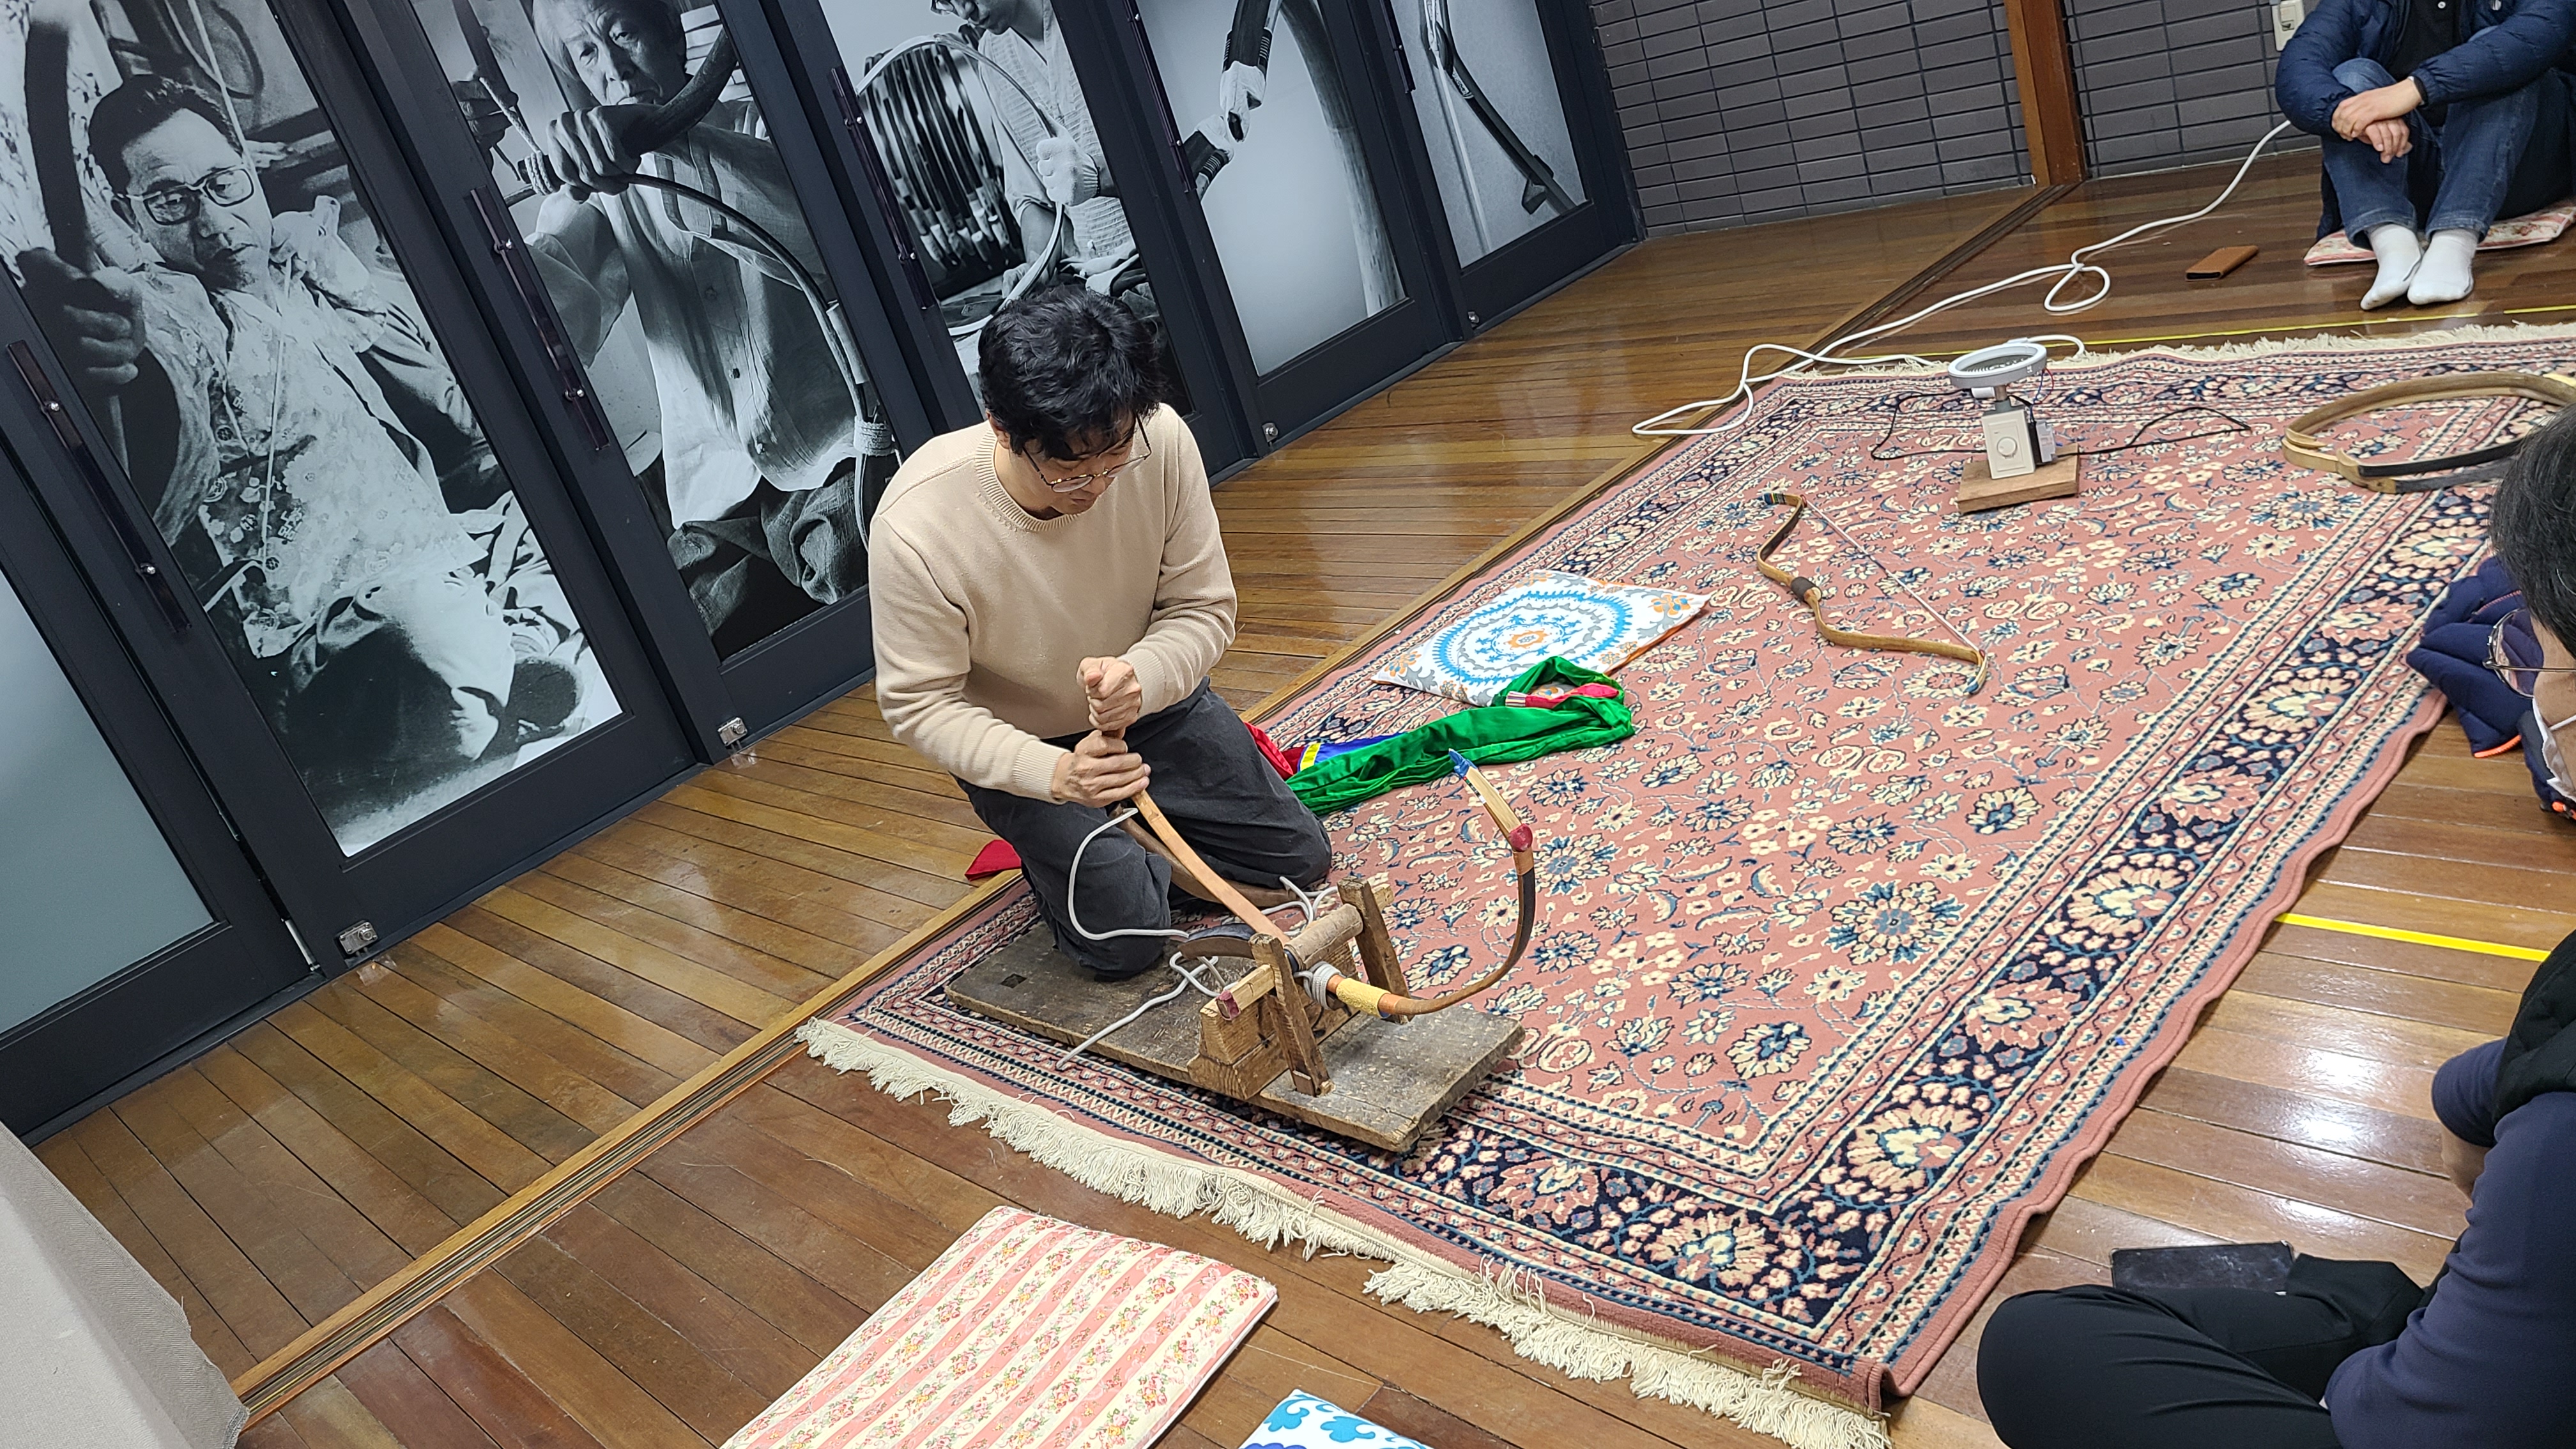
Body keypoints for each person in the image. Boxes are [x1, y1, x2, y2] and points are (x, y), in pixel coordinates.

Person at [1974, 411, 2576, 1448]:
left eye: (2540, 654)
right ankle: (2380, 1312)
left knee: (2037, 1338)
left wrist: (2357, 1386)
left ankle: (2372, 1328)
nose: (2524, 685)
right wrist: (2465, 1097)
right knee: (2311, 1289)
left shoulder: (2558, 1154)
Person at [15, 76, 585, 816]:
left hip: (442, 556)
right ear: (130, 214)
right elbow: (161, 404)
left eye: (223, 183)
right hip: (329, 633)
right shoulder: (165, 308)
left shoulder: (295, 273)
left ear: (248, 168)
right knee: (435, 661)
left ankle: (501, 655)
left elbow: (460, 414)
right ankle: (494, 667)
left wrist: (355, 291)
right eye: (171, 202)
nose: (213, 222)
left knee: (567, 508)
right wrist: (109, 362)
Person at [868, 286, 1330, 978]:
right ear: (1001, 427)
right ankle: (1088, 858)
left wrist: (1141, 677)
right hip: (1027, 749)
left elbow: (1204, 608)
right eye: (1069, 470)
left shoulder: (1158, 439)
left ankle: (1131, 850)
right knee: (1128, 943)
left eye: (1115, 458)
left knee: (1299, 859)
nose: (1097, 486)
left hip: (1152, 708)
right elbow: (920, 706)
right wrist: (1055, 775)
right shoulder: (916, 526)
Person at [527, 0, 887, 654]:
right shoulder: (607, 193)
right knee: (703, 640)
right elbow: (555, 324)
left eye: (623, 33)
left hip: (832, 455)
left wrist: (671, 136)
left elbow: (821, 239)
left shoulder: (763, 126)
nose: (613, 69)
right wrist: (550, 198)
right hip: (713, 495)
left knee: (861, 579)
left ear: (670, 34)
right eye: (587, 53)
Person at [2276, 0, 2576, 309]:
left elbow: (2545, 27)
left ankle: (2454, 242)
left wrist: (2415, 88)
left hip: (2513, 167)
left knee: (2502, 50)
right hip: (2413, 168)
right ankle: (2393, 245)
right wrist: (2348, 113)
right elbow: (2299, 66)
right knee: (2351, 78)